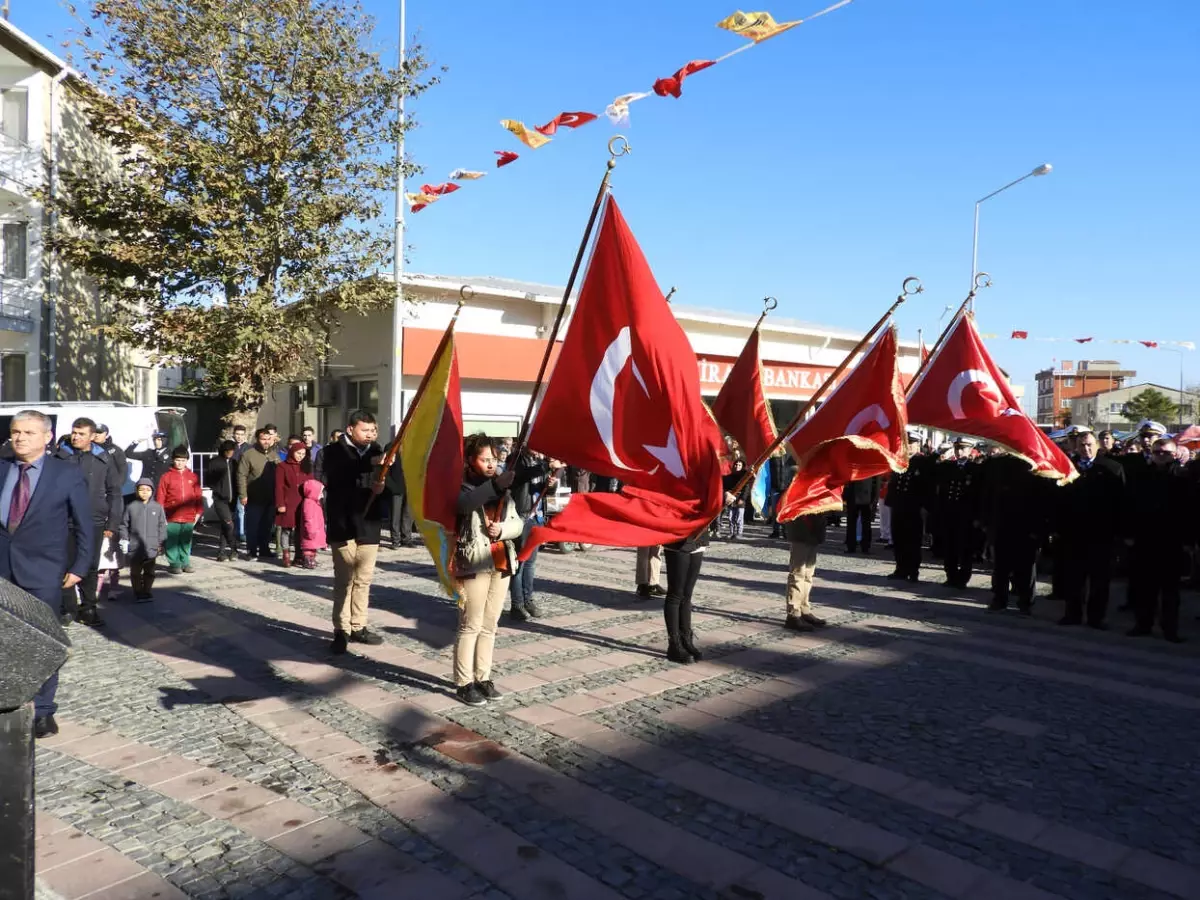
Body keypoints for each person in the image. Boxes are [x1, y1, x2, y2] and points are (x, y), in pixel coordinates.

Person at [0, 410, 93, 737]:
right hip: (3, 572)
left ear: (47, 437)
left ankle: (43, 709)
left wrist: (80, 566)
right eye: (15, 431)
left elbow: (84, 524)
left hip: (44, 572)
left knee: (44, 643)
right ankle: (7, 698)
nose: (20, 438)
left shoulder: (64, 474)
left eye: (28, 432)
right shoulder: (2, 469)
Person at [453, 434, 524, 705]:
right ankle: (464, 682)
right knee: (470, 623)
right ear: (471, 461)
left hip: (501, 562)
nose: (491, 464)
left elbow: (518, 522)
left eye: (494, 459)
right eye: (485, 459)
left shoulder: (503, 489)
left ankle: (483, 677)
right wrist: (495, 485)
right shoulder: (462, 486)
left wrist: (504, 529)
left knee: (490, 625)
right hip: (474, 562)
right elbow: (464, 505)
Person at [323, 411, 391, 653]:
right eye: (366, 430)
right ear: (350, 429)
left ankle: (358, 625)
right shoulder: (333, 451)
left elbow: (390, 485)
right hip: (343, 525)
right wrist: (369, 465)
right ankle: (341, 630)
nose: (371, 434)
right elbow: (340, 475)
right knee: (344, 581)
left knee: (364, 580)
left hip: (369, 524)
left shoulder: (377, 451)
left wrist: (382, 485)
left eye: (373, 430)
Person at [1056, 431, 1125, 629]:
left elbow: (1120, 503)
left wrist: (1119, 533)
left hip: (1101, 535)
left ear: (1097, 446)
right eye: (1081, 445)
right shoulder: (1067, 468)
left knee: (1099, 580)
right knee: (1074, 578)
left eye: (1089, 445)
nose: (1085, 449)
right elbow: (1058, 501)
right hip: (1073, 534)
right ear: (1075, 447)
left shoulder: (1112, 468)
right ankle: (1072, 614)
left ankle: (1096, 618)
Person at [57, 417, 123, 627]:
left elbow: (115, 493)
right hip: (64, 520)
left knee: (91, 566)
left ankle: (88, 609)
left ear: (92, 436)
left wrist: (112, 523)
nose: (75, 437)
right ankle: (67, 608)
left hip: (93, 521)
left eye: (81, 433)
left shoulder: (103, 459)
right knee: (64, 564)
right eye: (74, 432)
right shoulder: (60, 455)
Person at [1126, 438, 1191, 642]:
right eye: (1157, 452)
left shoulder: (1183, 477)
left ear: (1174, 454)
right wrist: (1128, 533)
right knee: (1145, 587)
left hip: (1172, 542)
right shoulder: (1141, 475)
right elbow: (1129, 506)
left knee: (1170, 591)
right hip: (1145, 541)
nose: (1161, 456)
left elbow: (1191, 510)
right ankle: (1143, 624)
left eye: (1165, 453)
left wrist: (1189, 540)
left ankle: (1170, 629)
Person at [982, 451, 1053, 614]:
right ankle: (999, 599)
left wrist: (1040, 528)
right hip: (1002, 523)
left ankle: (1026, 602)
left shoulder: (1034, 462)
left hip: (1027, 525)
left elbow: (1044, 498)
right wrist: (987, 521)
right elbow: (987, 493)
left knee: (1026, 567)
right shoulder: (997, 464)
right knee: (1001, 566)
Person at [509, 449, 555, 620]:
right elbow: (521, 478)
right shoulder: (516, 459)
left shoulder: (539, 462)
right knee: (519, 563)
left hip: (537, 516)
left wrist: (551, 484)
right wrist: (546, 466)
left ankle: (529, 600)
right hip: (522, 516)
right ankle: (517, 604)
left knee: (531, 563)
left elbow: (545, 490)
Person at [935, 438, 980, 588]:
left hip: (966, 516)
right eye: (957, 448)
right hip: (950, 513)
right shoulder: (947, 467)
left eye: (962, 449)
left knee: (965, 548)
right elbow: (941, 491)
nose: (959, 451)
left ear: (969, 450)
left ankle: (963, 578)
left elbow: (978, 495)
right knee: (950, 547)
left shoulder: (975, 469)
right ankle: (951, 575)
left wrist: (976, 516)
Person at [886, 432, 928, 582]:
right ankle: (900, 568)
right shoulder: (900, 460)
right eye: (906, 443)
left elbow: (926, 487)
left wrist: (924, 506)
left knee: (913, 540)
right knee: (899, 538)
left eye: (911, 443)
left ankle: (913, 570)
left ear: (918, 444)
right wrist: (890, 502)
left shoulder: (922, 462)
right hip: (898, 506)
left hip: (913, 508)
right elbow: (894, 483)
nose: (908, 446)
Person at [156, 446, 204, 574]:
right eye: (177, 460)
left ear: (187, 461)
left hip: (189, 515)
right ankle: (174, 563)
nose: (180, 463)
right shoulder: (166, 477)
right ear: (173, 460)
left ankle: (185, 562)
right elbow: (161, 496)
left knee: (186, 540)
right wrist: (161, 515)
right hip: (171, 515)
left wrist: (199, 512)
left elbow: (198, 496)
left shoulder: (193, 477)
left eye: (183, 460)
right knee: (172, 540)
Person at [663, 529, 707, 664]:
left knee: (687, 595)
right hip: (678, 537)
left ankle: (686, 640)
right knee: (675, 594)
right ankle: (674, 644)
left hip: (698, 537)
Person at [120, 477, 166, 601]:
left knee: (150, 571)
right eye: (141, 490)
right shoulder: (131, 507)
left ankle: (147, 591)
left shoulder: (157, 507)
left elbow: (162, 525)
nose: (144, 492)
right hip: (135, 547)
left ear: (152, 491)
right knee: (135, 572)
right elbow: (124, 524)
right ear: (136, 491)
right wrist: (124, 539)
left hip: (151, 546)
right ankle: (138, 591)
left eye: (147, 490)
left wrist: (161, 541)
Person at [238, 427, 278, 560]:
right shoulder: (248, 454)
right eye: (263, 439)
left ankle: (264, 549)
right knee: (253, 525)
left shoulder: (274, 454)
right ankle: (252, 550)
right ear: (257, 439)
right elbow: (241, 475)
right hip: (254, 496)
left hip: (271, 497)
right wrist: (243, 495)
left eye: (268, 439)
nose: (266, 441)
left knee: (267, 525)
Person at [783, 512, 828, 632]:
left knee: (808, 574)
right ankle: (793, 613)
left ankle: (804, 609)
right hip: (801, 526)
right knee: (798, 573)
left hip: (815, 525)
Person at [274, 440, 313, 568]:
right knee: (286, 529)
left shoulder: (307, 466)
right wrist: (280, 503)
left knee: (300, 530)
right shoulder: (282, 466)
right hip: (287, 501)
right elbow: (279, 486)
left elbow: (312, 484)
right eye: (298, 453)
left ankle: (299, 556)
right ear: (292, 452)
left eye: (303, 453)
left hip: (303, 503)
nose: (301, 456)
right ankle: (286, 554)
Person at [204, 440, 239, 561]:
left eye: (232, 450)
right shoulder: (214, 462)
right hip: (220, 499)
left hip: (233, 499)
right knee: (229, 524)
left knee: (225, 526)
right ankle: (234, 548)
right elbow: (209, 480)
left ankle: (221, 552)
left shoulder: (234, 463)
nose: (230, 452)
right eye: (228, 450)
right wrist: (218, 489)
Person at [844, 475, 880, 553]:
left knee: (854, 522)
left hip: (858, 493)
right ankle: (863, 547)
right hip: (863, 493)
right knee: (863, 522)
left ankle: (853, 546)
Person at [385, 455, 415, 549]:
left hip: (410, 487)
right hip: (396, 487)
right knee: (395, 515)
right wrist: (391, 486)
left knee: (408, 514)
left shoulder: (414, 447)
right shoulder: (391, 447)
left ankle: (407, 539)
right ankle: (395, 540)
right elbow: (385, 469)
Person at [297, 479, 326, 569]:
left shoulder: (315, 502)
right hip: (310, 532)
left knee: (312, 547)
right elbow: (308, 519)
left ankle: (311, 559)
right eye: (320, 492)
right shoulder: (308, 503)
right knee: (308, 548)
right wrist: (310, 531)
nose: (322, 495)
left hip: (315, 531)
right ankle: (307, 560)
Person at [721, 459, 750, 539]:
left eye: (739, 465)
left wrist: (743, 499)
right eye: (736, 464)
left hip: (740, 499)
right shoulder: (729, 477)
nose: (737, 466)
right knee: (731, 517)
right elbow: (725, 487)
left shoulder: (745, 477)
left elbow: (746, 488)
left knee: (739, 517)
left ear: (743, 467)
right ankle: (731, 532)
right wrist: (727, 495)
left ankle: (739, 533)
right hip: (731, 498)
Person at [92, 424, 128, 488]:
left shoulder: (116, 450)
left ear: (106, 434)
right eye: (94, 432)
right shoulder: (85, 448)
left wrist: (115, 487)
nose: (96, 435)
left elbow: (123, 470)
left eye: (99, 432)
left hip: (108, 489)